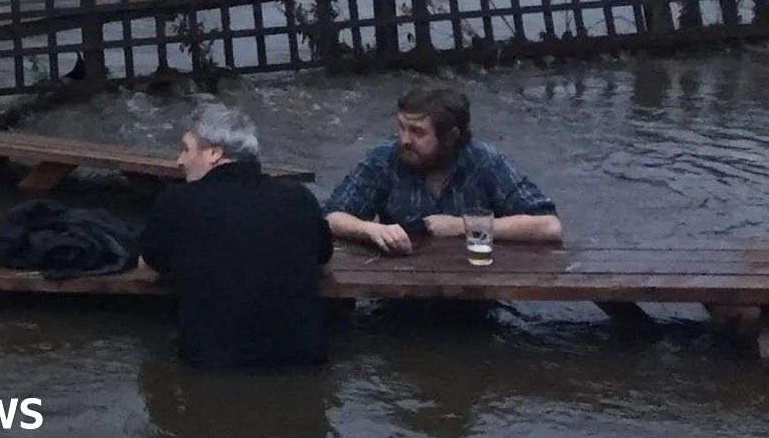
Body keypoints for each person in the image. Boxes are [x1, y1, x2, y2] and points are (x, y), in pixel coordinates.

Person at [140, 104, 333, 368]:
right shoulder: (300, 199)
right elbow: (323, 258)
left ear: (214, 153)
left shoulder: (176, 202)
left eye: (186, 149)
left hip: (211, 367)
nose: (179, 161)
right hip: (302, 364)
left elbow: (151, 265)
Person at [324, 87, 562, 255]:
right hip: (401, 290)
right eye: (401, 127)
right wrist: (370, 229)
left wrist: (462, 227)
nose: (405, 140)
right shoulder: (384, 160)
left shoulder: (483, 161)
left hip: (475, 289)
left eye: (418, 132)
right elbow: (331, 217)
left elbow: (548, 226)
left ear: (450, 138)